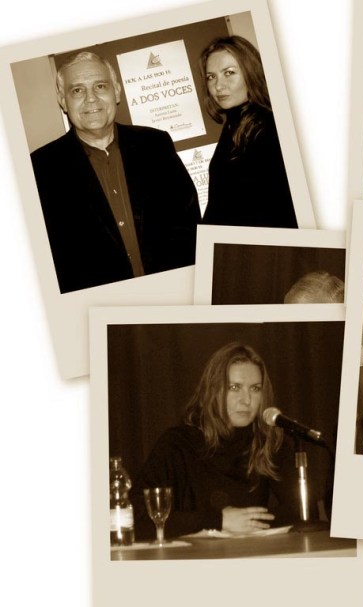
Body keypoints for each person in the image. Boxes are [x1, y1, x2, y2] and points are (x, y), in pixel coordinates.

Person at [30, 51, 200, 294]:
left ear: (117, 92)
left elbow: (189, 224)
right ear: (63, 101)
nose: (91, 99)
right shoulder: (41, 167)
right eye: (77, 90)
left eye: (100, 86)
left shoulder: (156, 145)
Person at [131, 343, 284, 541]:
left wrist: (255, 525)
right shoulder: (178, 444)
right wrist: (217, 520)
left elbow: (301, 511)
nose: (246, 400)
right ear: (212, 391)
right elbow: (136, 518)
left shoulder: (267, 441)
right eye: (234, 387)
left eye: (255, 389)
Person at [199, 36, 297, 229]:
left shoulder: (270, 127)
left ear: (251, 72)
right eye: (211, 77)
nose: (218, 86)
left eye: (229, 73)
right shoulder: (234, 125)